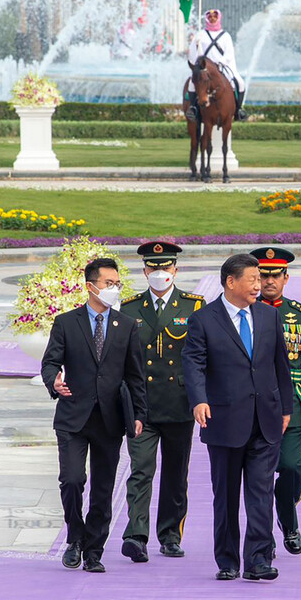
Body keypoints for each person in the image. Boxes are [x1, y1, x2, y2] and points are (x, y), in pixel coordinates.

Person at [181, 254, 293, 581]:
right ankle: (228, 560)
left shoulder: (268, 317)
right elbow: (194, 365)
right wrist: (199, 401)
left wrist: (286, 407)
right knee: (227, 496)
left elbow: (280, 367)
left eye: (260, 279)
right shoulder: (204, 320)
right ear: (231, 282)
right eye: (252, 279)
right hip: (224, 422)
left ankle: (258, 560)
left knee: (261, 493)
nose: (260, 285)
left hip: (266, 419)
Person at [41, 257, 148, 573]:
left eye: (118, 284)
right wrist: (54, 381)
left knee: (103, 488)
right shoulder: (66, 322)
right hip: (73, 417)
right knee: (72, 480)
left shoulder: (126, 325)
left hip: (110, 418)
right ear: (90, 286)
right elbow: (50, 362)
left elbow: (135, 374)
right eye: (108, 283)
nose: (114, 289)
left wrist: (139, 413)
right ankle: (75, 536)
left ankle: (94, 551)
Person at [119, 241, 206, 563]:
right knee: (140, 470)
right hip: (142, 404)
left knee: (174, 473)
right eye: (153, 268)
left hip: (179, 402)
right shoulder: (129, 309)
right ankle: (136, 535)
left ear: (175, 270)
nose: (159, 273)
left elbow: (202, 357)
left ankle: (170, 535)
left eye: (165, 267)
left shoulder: (194, 307)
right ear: (144, 271)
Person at [249, 247, 301, 556]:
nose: (269, 281)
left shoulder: (300, 314)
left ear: (286, 278)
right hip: (256, 402)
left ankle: (286, 514)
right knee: (262, 472)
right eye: (263, 275)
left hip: (292, 403)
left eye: (275, 275)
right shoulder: (246, 311)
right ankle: (281, 531)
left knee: (292, 467)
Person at [185, 8, 247, 122]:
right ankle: (193, 108)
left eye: (215, 17)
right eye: (210, 17)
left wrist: (220, 62)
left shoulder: (225, 36)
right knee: (191, 84)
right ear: (207, 19)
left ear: (218, 18)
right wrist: (197, 52)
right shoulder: (200, 35)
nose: (212, 19)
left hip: (222, 67)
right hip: (204, 68)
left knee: (240, 83)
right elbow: (193, 52)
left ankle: (238, 110)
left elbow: (229, 54)